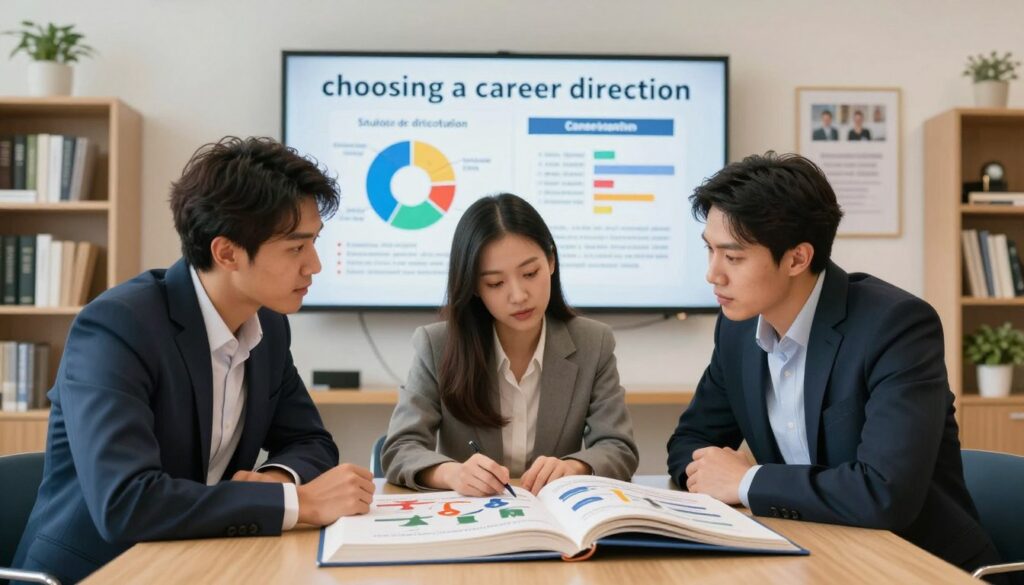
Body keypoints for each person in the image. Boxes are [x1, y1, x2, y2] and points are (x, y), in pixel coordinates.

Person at [13, 137, 376, 584]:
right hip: (98, 572)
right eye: (296, 248)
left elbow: (311, 442)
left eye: (314, 243)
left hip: (199, 562)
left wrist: (279, 480)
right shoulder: (117, 327)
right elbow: (126, 503)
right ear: (226, 253)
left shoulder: (268, 328)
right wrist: (301, 503)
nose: (315, 265)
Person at [665, 152, 1003, 576]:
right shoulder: (737, 330)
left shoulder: (895, 327)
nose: (713, 275)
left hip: (920, 566)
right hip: (813, 554)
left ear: (797, 259)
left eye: (732, 258)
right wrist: (712, 472)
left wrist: (747, 481)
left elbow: (884, 494)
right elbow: (689, 440)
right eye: (710, 251)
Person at [382, 193, 638, 496]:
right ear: (474, 286)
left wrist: (573, 467)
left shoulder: (593, 343)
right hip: (472, 519)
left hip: (554, 519)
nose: (518, 296)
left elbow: (618, 447)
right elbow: (400, 448)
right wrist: (452, 474)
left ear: (551, 261)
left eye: (530, 274)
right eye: (495, 283)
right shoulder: (437, 345)